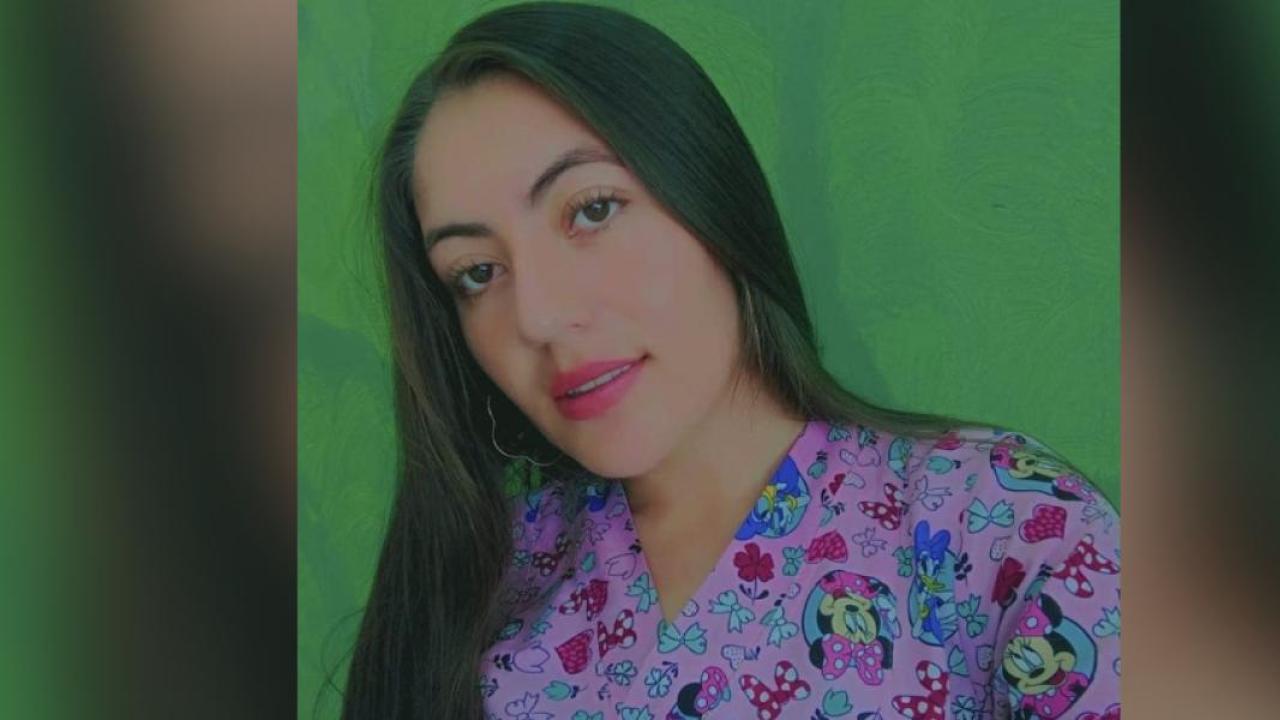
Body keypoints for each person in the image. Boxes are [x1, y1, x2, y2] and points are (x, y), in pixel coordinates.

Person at [341, 3, 1120, 719]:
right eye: (477, 272)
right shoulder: (486, 577)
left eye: (593, 209)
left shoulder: (1010, 528)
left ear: (710, 192)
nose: (538, 316)